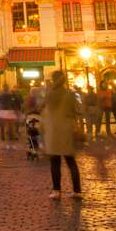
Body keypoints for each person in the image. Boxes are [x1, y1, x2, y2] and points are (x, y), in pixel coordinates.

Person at [42, 71, 82, 199]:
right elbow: (76, 111)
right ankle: (77, 191)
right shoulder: (70, 94)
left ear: (53, 80)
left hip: (54, 130)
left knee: (55, 162)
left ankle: (56, 191)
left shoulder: (50, 94)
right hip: (67, 129)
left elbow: (43, 109)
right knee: (71, 162)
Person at [0, 84, 21, 151]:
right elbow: (16, 102)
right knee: (10, 127)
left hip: (3, 111)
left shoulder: (1, 94)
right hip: (10, 111)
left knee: (2, 126)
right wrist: (16, 110)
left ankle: (3, 137)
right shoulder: (11, 95)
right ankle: (10, 140)